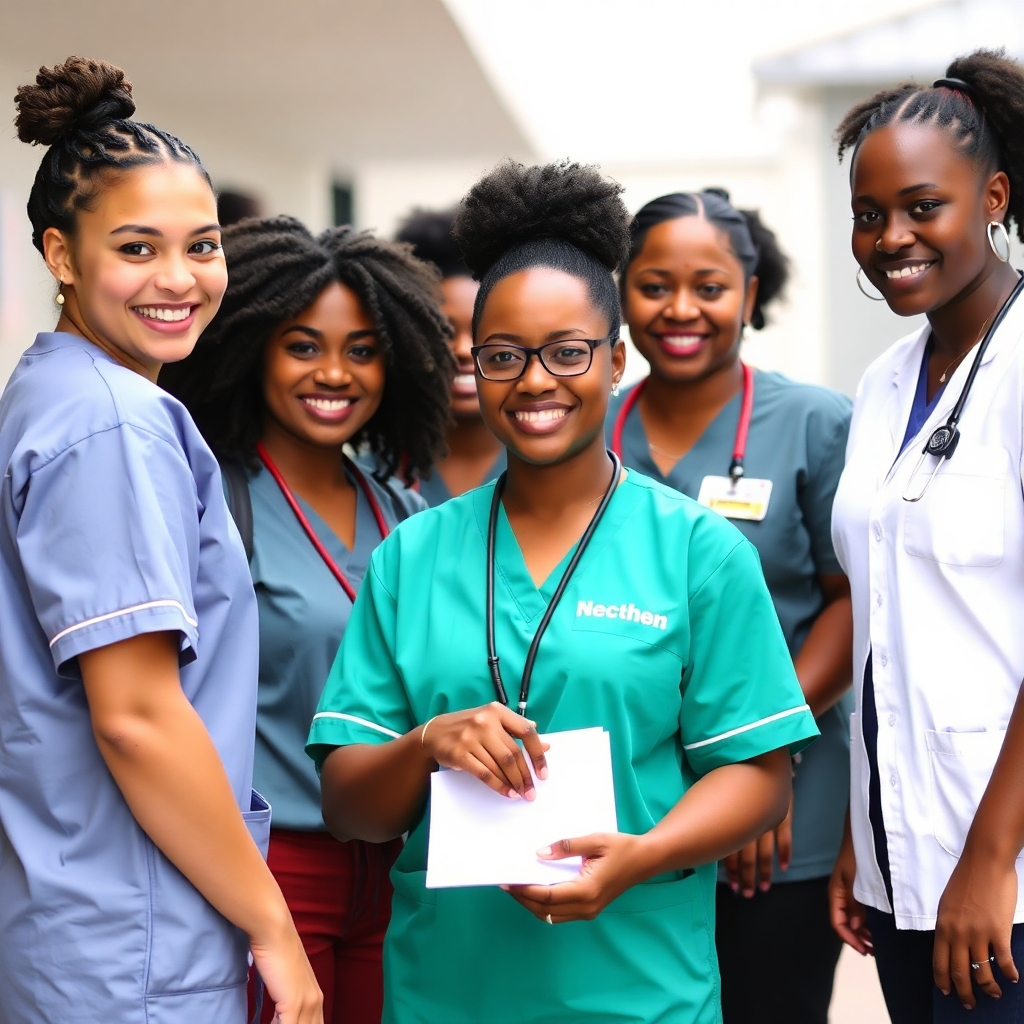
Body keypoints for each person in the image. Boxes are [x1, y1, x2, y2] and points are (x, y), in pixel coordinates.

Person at [305, 159, 820, 1024]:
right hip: (448, 994)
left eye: (567, 352)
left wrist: (642, 856)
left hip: (641, 991)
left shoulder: (697, 551)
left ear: (614, 360)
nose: (535, 380)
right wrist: (429, 742)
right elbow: (350, 806)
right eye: (503, 356)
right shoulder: (412, 555)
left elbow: (760, 776)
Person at [0, 57, 321, 1024]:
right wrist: (274, 929)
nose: (179, 280)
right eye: (136, 248)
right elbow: (135, 715)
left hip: (77, 922)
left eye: (202, 246)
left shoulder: (50, 392)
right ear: (61, 256)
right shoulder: (113, 420)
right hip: (131, 942)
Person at [161, 215, 452, 1024]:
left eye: (362, 350)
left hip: (399, 868)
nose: (334, 373)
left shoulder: (403, 513)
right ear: (254, 348)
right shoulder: (210, 500)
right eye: (302, 346)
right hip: (270, 868)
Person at [613, 189, 854, 1024]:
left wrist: (756, 752)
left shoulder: (816, 423)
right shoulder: (586, 429)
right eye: (654, 286)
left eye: (709, 287)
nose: (681, 309)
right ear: (621, 295)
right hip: (628, 797)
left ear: (750, 294)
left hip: (781, 806)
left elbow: (849, 602)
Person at [829, 49, 1024, 1023]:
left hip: (1003, 880)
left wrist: (990, 861)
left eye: (922, 207)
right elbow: (888, 627)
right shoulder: (881, 386)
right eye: (868, 215)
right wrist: (860, 833)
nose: (891, 238)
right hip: (898, 857)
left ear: (992, 198)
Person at [394, 206, 505, 502]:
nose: (464, 350)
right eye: (444, 331)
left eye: (484, 331)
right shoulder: (372, 478)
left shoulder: (559, 471)